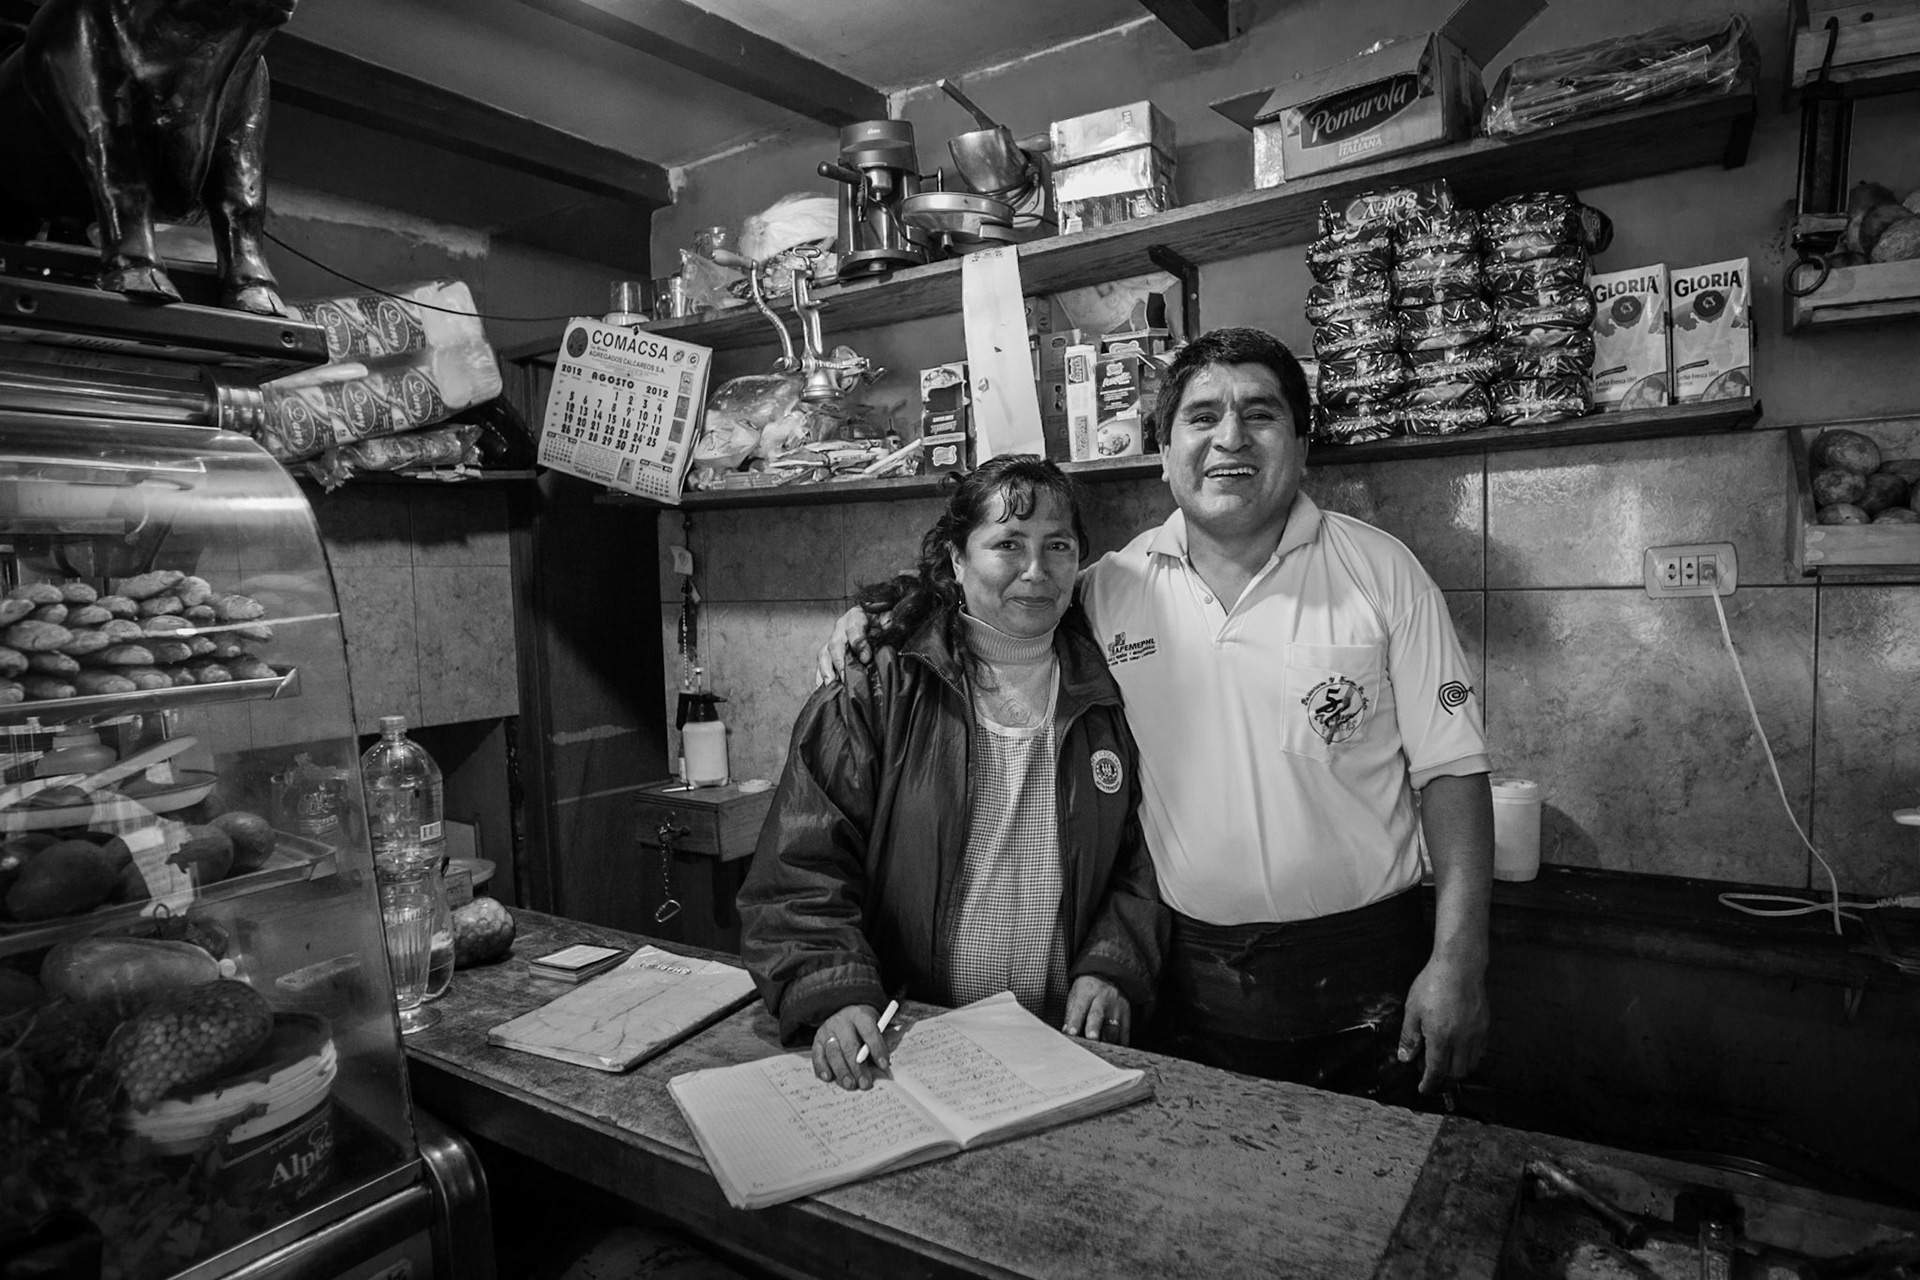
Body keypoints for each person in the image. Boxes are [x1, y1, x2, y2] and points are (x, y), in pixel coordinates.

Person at [819, 328, 1492, 1105]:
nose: (1230, 438)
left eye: (1261, 415)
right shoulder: (1111, 588)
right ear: (1165, 452)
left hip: (1372, 967)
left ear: (1302, 447)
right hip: (1186, 975)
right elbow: (999, 595)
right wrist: (882, 612)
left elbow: (1454, 771)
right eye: (1202, 417)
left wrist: (1459, 959)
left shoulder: (1382, 572)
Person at [738, 454, 1168, 1093]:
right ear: (958, 561)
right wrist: (832, 991)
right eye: (1007, 544)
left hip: (1062, 1048)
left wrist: (1113, 964)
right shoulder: (878, 685)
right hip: (908, 1041)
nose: (1035, 570)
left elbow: (1138, 857)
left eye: (1058, 545)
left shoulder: (1104, 687)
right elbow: (800, 868)